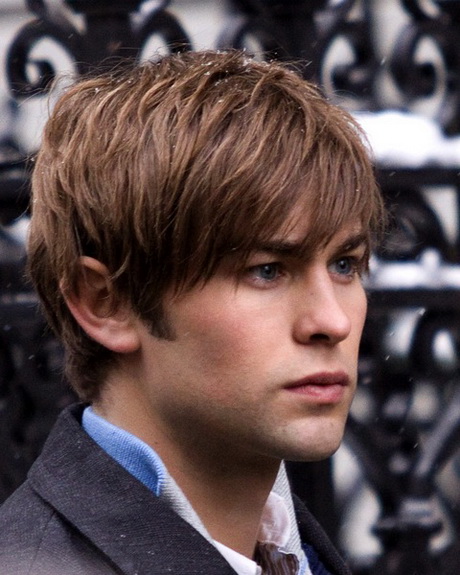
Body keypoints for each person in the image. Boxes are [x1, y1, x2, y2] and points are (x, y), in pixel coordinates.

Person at [0, 49, 384, 574]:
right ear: (105, 303)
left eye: (344, 264)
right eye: (267, 270)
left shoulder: (293, 552)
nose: (332, 322)